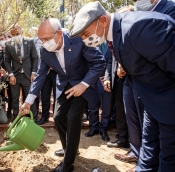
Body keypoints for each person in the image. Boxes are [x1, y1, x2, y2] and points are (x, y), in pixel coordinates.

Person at [70, 1, 175, 171]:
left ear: (102, 20)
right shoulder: (115, 34)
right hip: (151, 102)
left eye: (86, 33)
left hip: (169, 105)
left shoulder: (138, 27)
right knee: (149, 150)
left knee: (168, 157)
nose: (85, 40)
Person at [20, 17, 105, 171]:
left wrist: (83, 84)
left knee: (73, 119)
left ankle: (68, 164)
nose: (44, 43)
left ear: (59, 33)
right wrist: (28, 100)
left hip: (84, 85)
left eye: (47, 38)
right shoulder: (44, 50)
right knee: (58, 117)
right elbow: (40, 75)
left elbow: (99, 62)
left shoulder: (78, 38)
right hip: (65, 86)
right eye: (41, 39)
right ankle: (69, 150)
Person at [114, 1, 175, 171]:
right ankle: (139, 157)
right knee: (145, 131)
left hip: (163, 92)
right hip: (140, 84)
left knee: (166, 147)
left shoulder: (169, 10)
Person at [4, 25, 38, 121]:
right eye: (13, 34)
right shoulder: (8, 44)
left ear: (22, 32)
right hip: (15, 76)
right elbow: (7, 60)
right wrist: (11, 75)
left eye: (17, 34)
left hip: (28, 75)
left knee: (30, 97)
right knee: (14, 98)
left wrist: (33, 72)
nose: (16, 36)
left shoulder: (30, 42)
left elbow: (35, 58)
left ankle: (33, 119)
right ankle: (16, 119)